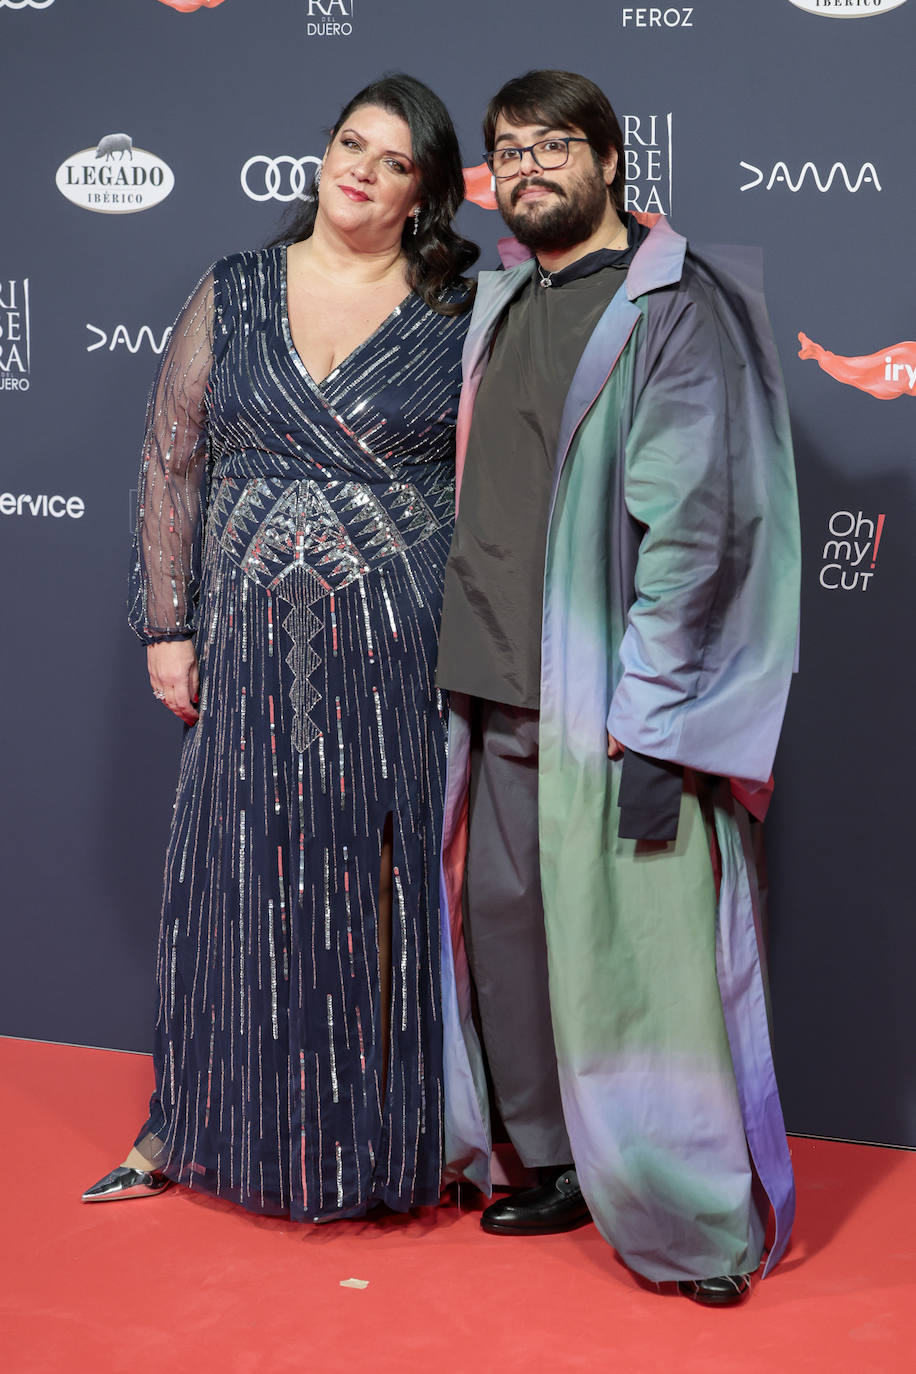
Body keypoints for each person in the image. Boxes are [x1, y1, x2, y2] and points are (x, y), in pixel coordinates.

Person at [82, 74, 477, 1219]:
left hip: (396, 643)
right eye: (351, 142)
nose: (359, 167)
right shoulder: (238, 287)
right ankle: (188, 1127)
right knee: (235, 879)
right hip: (248, 640)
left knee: (372, 882)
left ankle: (382, 1142)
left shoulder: (461, 309)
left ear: (423, 191)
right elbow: (172, 461)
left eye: (393, 159)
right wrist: (170, 624)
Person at [436, 70, 800, 1305]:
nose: (527, 166)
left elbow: (690, 530)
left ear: (606, 159)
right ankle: (547, 1165)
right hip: (489, 692)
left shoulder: (669, 307)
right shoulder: (493, 301)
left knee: (640, 972)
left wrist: (653, 727)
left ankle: (689, 1214)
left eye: (551, 146)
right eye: (506, 150)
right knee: (509, 942)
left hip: (608, 705)